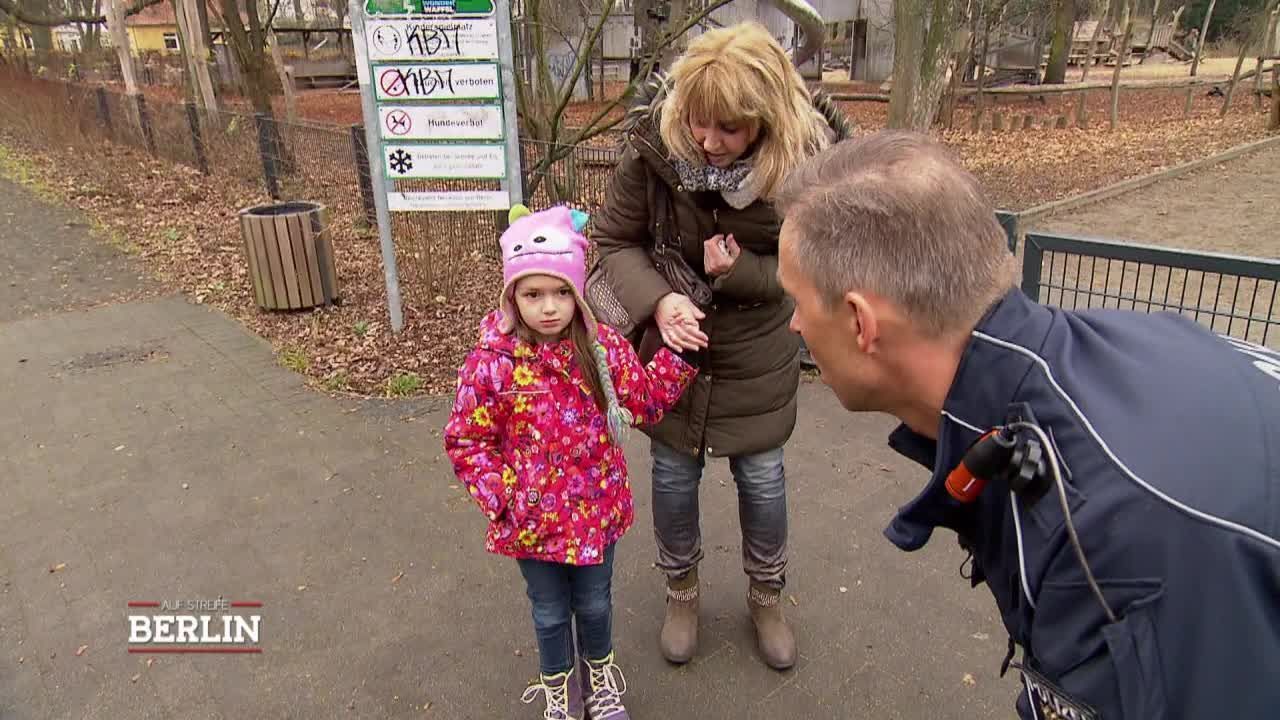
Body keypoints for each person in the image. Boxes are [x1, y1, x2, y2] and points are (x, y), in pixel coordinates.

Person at [774, 130, 1280, 719]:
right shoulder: (1126, 344)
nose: (794, 326)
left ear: (861, 323)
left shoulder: (1102, 543)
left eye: (798, 302)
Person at [588, 21, 854, 671]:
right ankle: (682, 591)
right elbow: (610, 240)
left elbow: (818, 266)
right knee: (674, 478)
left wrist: (740, 274)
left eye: (729, 129)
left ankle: (766, 597)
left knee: (762, 481)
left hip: (755, 352)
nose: (708, 143)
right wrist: (662, 299)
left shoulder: (806, 168)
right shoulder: (655, 150)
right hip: (674, 352)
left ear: (764, 121)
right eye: (700, 124)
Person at [444, 204, 696, 720]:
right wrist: (501, 496)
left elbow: (642, 401)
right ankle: (560, 690)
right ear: (512, 294)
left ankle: (600, 682)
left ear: (579, 294)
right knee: (549, 611)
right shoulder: (494, 361)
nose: (550, 307)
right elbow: (466, 438)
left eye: (562, 293)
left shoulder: (601, 349)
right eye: (533, 294)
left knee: (597, 603)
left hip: (593, 512)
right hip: (530, 518)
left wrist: (678, 355)